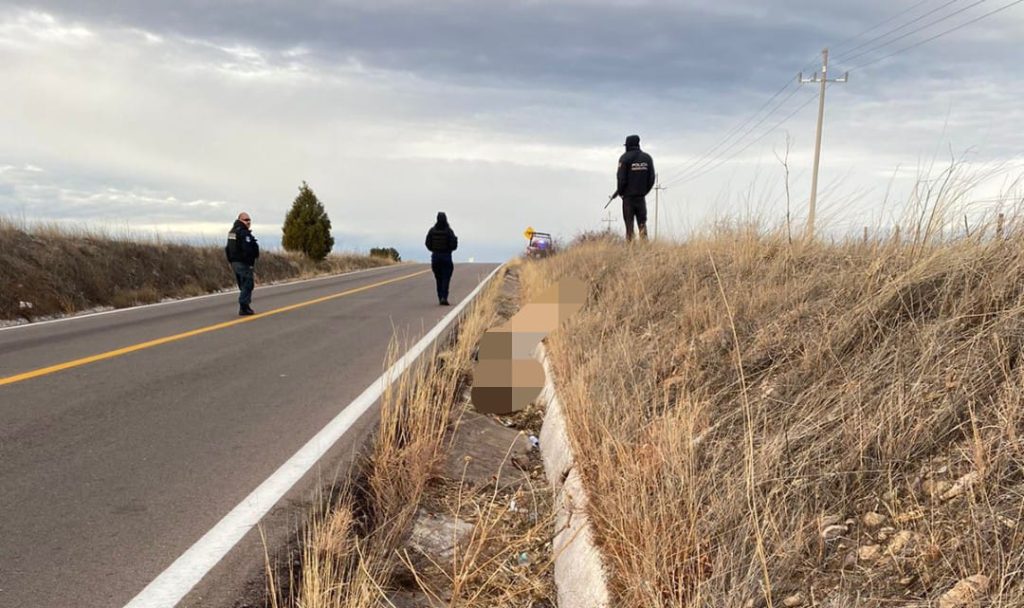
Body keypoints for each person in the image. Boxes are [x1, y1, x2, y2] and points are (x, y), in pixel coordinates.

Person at [612, 134, 656, 241]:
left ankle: (631, 250)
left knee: (629, 226)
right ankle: (645, 248)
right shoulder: (647, 158)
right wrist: (644, 192)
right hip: (641, 198)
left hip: (628, 199)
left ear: (628, 145)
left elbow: (621, 179)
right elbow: (651, 178)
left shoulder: (624, 158)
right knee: (642, 224)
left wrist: (621, 193)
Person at [225, 212, 259, 316]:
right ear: (240, 220)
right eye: (245, 220)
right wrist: (249, 262)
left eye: (249, 220)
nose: (248, 222)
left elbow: (227, 248)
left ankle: (244, 306)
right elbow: (247, 249)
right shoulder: (243, 233)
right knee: (248, 284)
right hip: (242, 262)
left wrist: (230, 260)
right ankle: (244, 306)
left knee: (243, 284)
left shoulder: (232, 232)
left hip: (235, 262)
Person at [425, 212, 458, 306]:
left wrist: (434, 250)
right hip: (446, 257)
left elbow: (427, 243)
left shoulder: (432, 231)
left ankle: (440, 297)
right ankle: (444, 297)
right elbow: (454, 245)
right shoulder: (449, 231)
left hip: (435, 257)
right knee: (446, 278)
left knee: (438, 278)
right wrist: (449, 249)